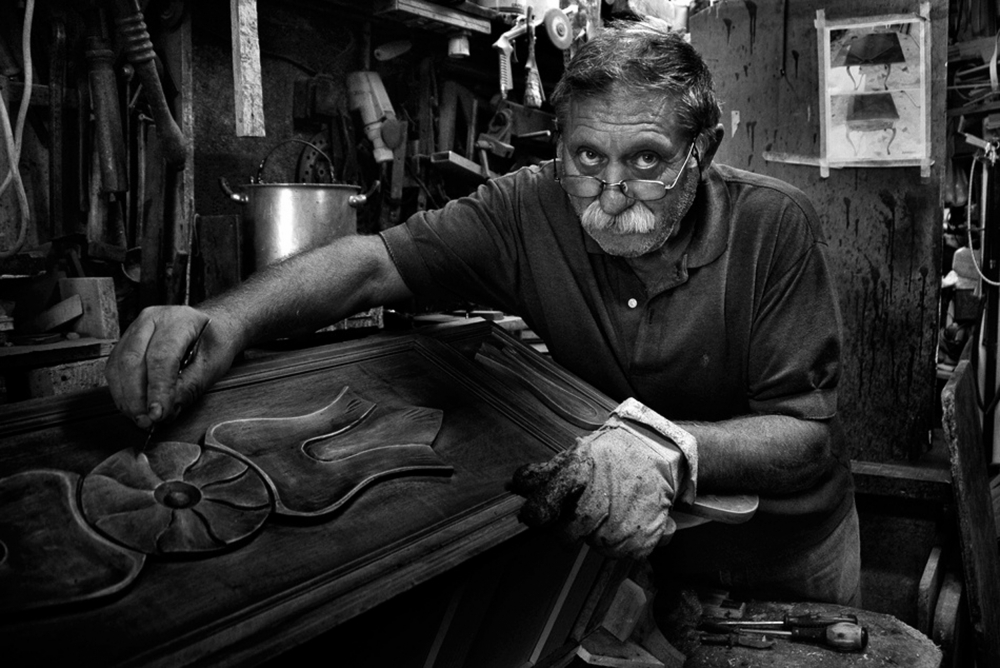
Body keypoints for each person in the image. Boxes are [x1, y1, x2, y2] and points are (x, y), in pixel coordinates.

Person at [105, 18, 859, 607]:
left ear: (705, 148)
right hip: (629, 556)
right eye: (587, 157)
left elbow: (805, 438)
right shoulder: (529, 205)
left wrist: (671, 451)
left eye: (647, 160)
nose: (611, 191)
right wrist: (226, 321)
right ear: (559, 145)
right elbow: (374, 264)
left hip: (783, 555)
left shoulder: (774, 226)